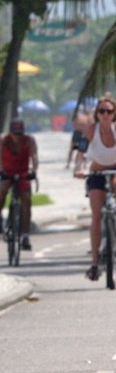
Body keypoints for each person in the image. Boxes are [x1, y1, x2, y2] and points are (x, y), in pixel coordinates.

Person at [73, 94, 116, 281]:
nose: (105, 114)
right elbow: (81, 153)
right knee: (97, 215)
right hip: (96, 175)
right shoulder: (91, 130)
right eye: (102, 111)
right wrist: (79, 168)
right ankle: (95, 263)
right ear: (97, 113)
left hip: (115, 174)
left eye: (109, 111)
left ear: (114, 114)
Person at [0, 118, 39, 251]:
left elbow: (34, 156)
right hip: (7, 171)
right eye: (15, 134)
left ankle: (25, 235)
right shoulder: (3, 140)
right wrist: (0, 171)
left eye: (19, 133)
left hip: (23, 172)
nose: (17, 137)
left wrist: (34, 171)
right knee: (2, 190)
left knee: (27, 200)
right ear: (10, 132)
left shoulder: (29, 140)